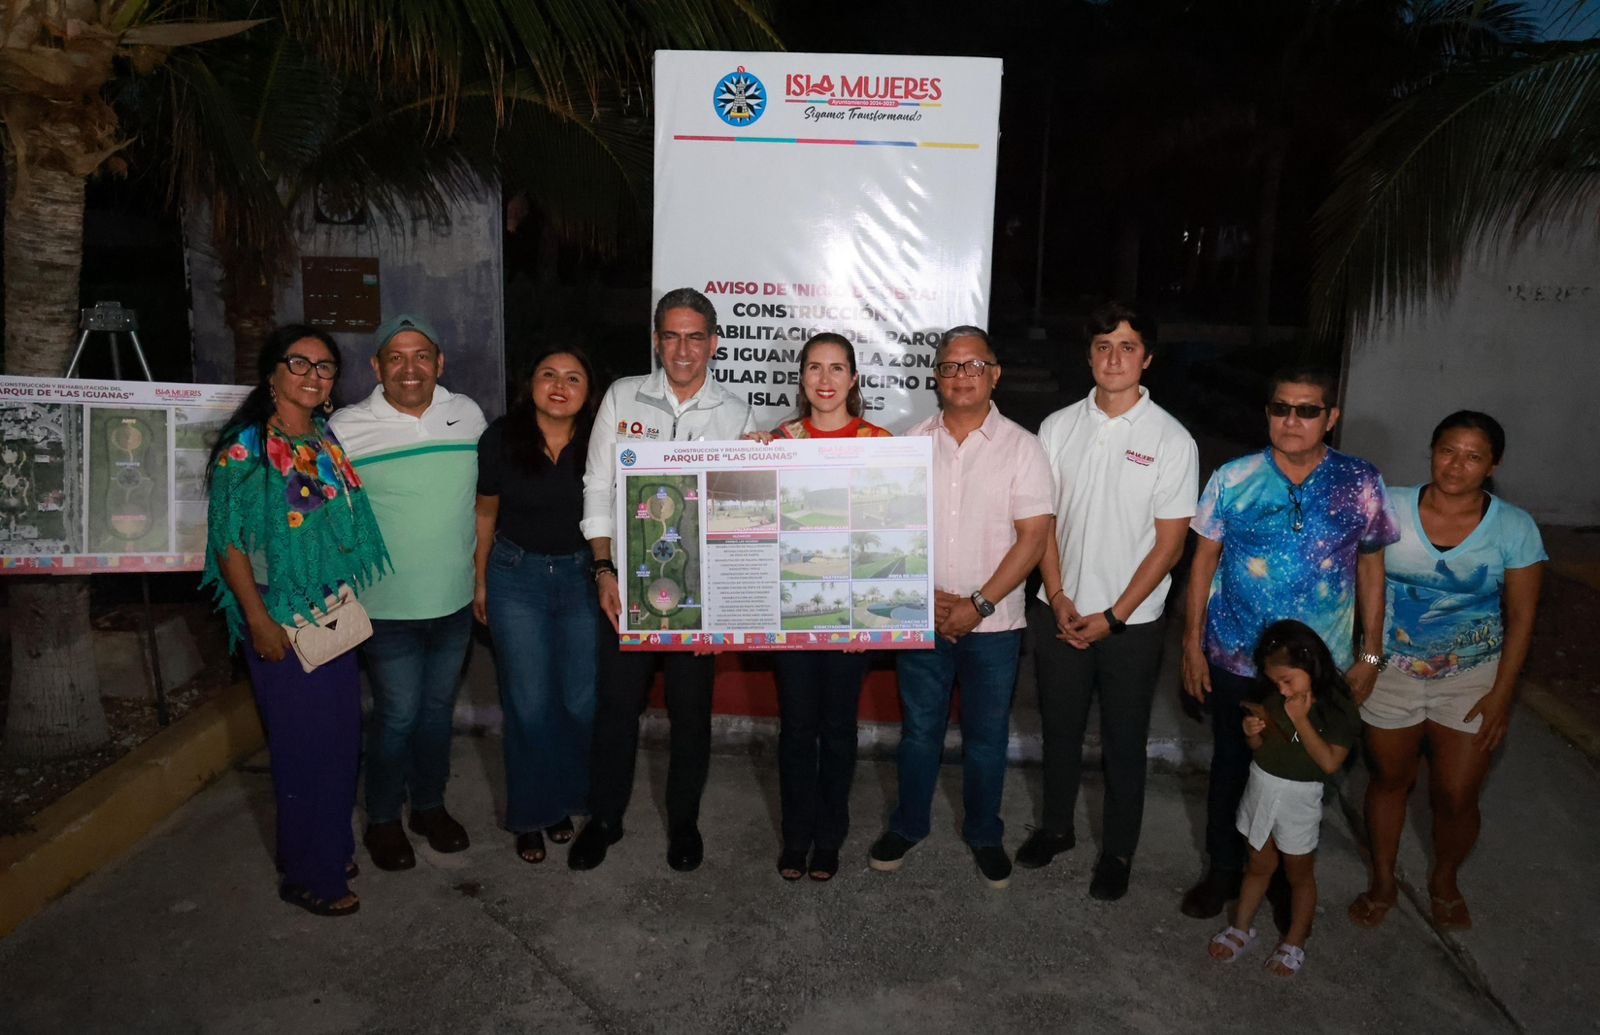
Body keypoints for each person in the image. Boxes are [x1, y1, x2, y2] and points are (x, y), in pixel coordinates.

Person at [1180, 366, 1399, 920]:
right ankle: (1224, 870)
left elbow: (1373, 567)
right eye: (1282, 408)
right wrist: (1190, 646)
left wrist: (1371, 653)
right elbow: (1202, 561)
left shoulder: (1361, 481)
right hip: (1236, 656)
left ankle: (1283, 878)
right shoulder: (1234, 477)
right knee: (1233, 767)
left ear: (1331, 418)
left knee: (1301, 778)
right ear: (1269, 413)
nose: (1292, 420)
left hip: (1319, 669)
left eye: (1307, 410)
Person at [201, 324, 389, 917]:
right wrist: (257, 619)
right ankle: (313, 878)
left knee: (336, 742)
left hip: (325, 610)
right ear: (272, 374)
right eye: (300, 363)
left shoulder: (322, 438)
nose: (313, 375)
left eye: (325, 366)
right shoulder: (247, 447)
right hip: (278, 612)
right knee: (305, 748)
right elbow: (229, 544)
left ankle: (320, 848)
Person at [568, 287, 755, 873]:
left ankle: (684, 823)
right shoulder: (624, 396)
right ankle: (604, 819)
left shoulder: (737, 410)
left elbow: (741, 508)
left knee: (691, 712)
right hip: (627, 585)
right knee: (616, 708)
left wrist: (725, 605)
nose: (683, 348)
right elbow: (597, 485)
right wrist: (603, 570)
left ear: (713, 343)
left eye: (695, 336)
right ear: (656, 340)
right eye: (671, 336)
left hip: (700, 594)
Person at [1022, 302, 1199, 900]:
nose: (1114, 358)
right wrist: (1061, 594)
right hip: (1059, 611)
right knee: (1060, 731)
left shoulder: (1171, 439)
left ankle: (1118, 850)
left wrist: (1114, 616)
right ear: (1089, 354)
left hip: (1133, 623)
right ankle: (1055, 829)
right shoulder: (1056, 427)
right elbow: (1043, 523)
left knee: (1125, 741)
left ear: (1146, 358)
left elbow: (1171, 544)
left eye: (1127, 347)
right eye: (1103, 346)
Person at [867, 326, 1053, 889]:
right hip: (921, 614)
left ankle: (984, 834)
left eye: (974, 365)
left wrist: (978, 603)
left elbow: (1033, 538)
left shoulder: (1024, 447)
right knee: (920, 732)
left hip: (994, 624)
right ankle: (909, 825)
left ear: (995, 374)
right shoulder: (908, 443)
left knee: (986, 737)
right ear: (936, 377)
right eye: (951, 366)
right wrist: (925, 598)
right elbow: (885, 531)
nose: (962, 375)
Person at [1349, 411, 1545, 931]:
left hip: (1471, 680)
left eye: (1474, 455)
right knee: (1389, 780)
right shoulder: (1388, 505)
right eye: (1448, 450)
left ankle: (1445, 878)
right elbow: (1357, 581)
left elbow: (1523, 617)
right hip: (1389, 671)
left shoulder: (1514, 527)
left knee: (1456, 794)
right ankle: (1383, 880)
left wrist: (1503, 694)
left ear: (1493, 464)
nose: (1457, 465)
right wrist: (1366, 659)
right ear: (1432, 450)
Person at [328, 314, 487, 871]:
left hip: (454, 599)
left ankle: (429, 806)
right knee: (397, 714)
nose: (409, 367)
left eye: (421, 355)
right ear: (376, 367)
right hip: (384, 604)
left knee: (437, 712)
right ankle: (381, 819)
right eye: (395, 357)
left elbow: (482, 502)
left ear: (439, 363)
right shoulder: (347, 428)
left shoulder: (466, 414)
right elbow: (323, 512)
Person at [760, 333, 891, 882]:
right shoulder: (777, 440)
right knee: (796, 729)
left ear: (854, 379)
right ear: (802, 378)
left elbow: (890, 533)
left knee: (838, 729)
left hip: (852, 619)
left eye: (838, 368)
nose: (825, 379)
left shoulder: (879, 442)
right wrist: (744, 462)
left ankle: (829, 837)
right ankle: (796, 837)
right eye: (815, 368)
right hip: (792, 613)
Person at [473, 347, 602, 864]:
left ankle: (567, 801)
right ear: (531, 384)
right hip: (515, 577)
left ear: (588, 392)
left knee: (579, 701)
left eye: (573, 377)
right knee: (528, 704)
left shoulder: (601, 442)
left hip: (582, 579)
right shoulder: (501, 438)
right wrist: (480, 580)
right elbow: (485, 513)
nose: (559, 385)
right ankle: (530, 813)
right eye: (548, 374)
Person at [1205, 620, 1358, 977]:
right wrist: (1251, 735)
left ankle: (1295, 939)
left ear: (1311, 664)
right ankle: (1242, 928)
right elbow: (1262, 749)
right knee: (1257, 865)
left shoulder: (1336, 707)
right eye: (1276, 682)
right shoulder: (1274, 697)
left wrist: (1300, 720)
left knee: (1299, 875)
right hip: (1262, 788)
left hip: (1300, 799)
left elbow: (1330, 762)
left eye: (1288, 680)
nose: (1282, 689)